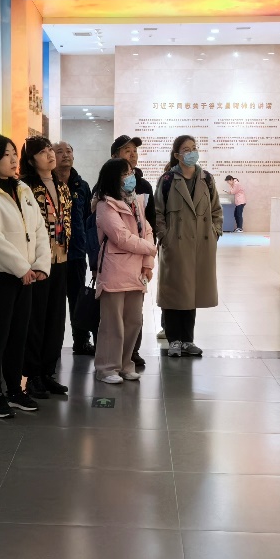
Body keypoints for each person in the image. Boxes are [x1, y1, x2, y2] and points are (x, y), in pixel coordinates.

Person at [0, 133, 49, 419]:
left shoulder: (22, 189)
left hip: (24, 275)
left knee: (18, 335)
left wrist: (40, 264)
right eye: (6, 154)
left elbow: (39, 229)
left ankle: (15, 390)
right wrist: (21, 268)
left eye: (15, 153)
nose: (14, 159)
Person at [155, 134, 221, 358]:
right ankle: (174, 339)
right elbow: (158, 212)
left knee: (191, 293)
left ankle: (187, 340)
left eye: (194, 148)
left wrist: (215, 232)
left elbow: (216, 210)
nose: (192, 152)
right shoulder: (167, 180)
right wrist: (165, 237)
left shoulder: (207, 179)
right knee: (174, 293)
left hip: (200, 246)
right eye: (186, 149)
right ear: (177, 155)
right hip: (176, 244)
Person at [91, 158, 155, 384]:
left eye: (131, 172)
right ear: (113, 178)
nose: (131, 177)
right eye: (125, 173)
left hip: (136, 271)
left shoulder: (136, 201)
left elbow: (147, 231)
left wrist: (148, 263)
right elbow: (121, 237)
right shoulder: (105, 204)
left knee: (133, 321)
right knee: (112, 323)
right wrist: (150, 249)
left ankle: (126, 365)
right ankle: (107, 368)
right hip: (115, 270)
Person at [20, 135, 71, 399]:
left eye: (50, 149)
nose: (50, 155)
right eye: (42, 152)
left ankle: (48, 372)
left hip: (60, 259)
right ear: (31, 160)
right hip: (38, 262)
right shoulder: (25, 188)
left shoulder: (62, 185)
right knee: (36, 320)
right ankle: (33, 375)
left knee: (56, 318)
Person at [54, 141, 98, 357]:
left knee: (77, 299)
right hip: (53, 255)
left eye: (69, 151)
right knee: (54, 303)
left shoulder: (82, 186)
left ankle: (81, 342)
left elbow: (88, 220)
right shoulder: (47, 185)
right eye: (59, 152)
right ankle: (52, 346)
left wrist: (91, 252)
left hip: (77, 253)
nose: (65, 155)